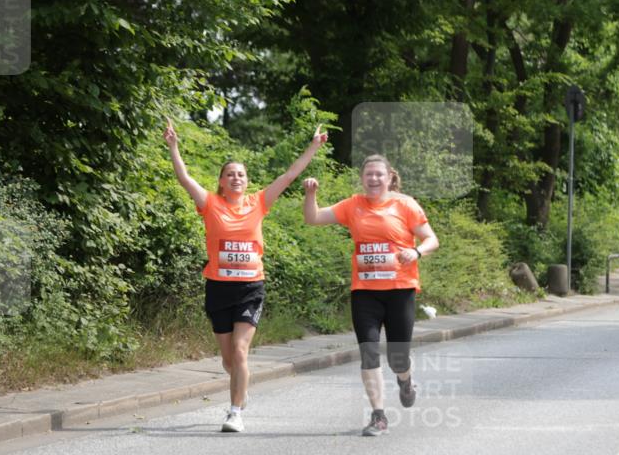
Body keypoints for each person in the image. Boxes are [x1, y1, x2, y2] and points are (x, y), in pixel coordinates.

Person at [164, 118, 327, 433]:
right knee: (229, 361)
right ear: (221, 181)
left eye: (240, 174)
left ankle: (234, 412)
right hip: (218, 289)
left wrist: (314, 146)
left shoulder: (259, 203)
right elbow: (183, 178)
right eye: (230, 174)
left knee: (240, 351)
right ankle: (241, 387)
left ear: (247, 181)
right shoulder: (210, 204)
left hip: (250, 288)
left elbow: (290, 174)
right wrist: (173, 146)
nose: (235, 178)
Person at [302, 155, 439, 437]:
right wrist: (310, 195)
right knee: (369, 353)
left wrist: (415, 252)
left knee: (398, 358)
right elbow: (312, 218)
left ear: (389, 177)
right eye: (369, 175)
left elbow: (431, 239)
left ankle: (405, 380)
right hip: (365, 292)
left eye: (379, 175)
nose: (374, 179)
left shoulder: (405, 204)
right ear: (362, 178)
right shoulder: (353, 205)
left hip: (400, 290)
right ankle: (378, 416)